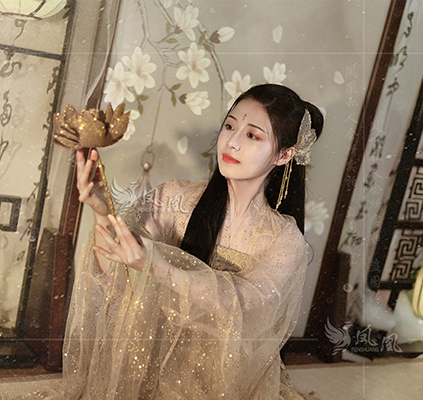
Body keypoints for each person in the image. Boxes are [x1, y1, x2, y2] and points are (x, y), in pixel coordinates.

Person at [62, 84, 324, 399]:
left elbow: (242, 309)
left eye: (252, 135)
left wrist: (156, 265)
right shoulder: (174, 198)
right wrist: (102, 211)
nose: (232, 142)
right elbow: (117, 277)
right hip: (150, 361)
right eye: (230, 126)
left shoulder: (284, 240)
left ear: (284, 155)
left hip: (224, 380)